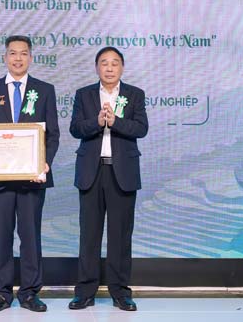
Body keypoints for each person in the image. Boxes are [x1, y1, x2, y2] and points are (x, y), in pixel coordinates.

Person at [0, 35, 59, 313]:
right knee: (1, 236)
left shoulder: (44, 90)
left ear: (30, 57)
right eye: (13, 53)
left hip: (32, 178)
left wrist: (44, 163)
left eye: (23, 53)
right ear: (5, 57)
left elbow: (52, 135)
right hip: (0, 180)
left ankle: (30, 293)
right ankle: (1, 293)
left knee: (31, 236)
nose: (18, 58)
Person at [68, 46, 148, 312]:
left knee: (120, 236)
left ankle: (120, 292)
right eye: (104, 63)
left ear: (122, 67)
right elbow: (75, 128)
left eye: (115, 63)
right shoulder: (84, 95)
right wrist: (97, 121)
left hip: (122, 173)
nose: (110, 68)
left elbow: (142, 128)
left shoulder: (135, 94)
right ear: (97, 68)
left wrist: (115, 122)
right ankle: (85, 292)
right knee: (89, 235)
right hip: (91, 173)